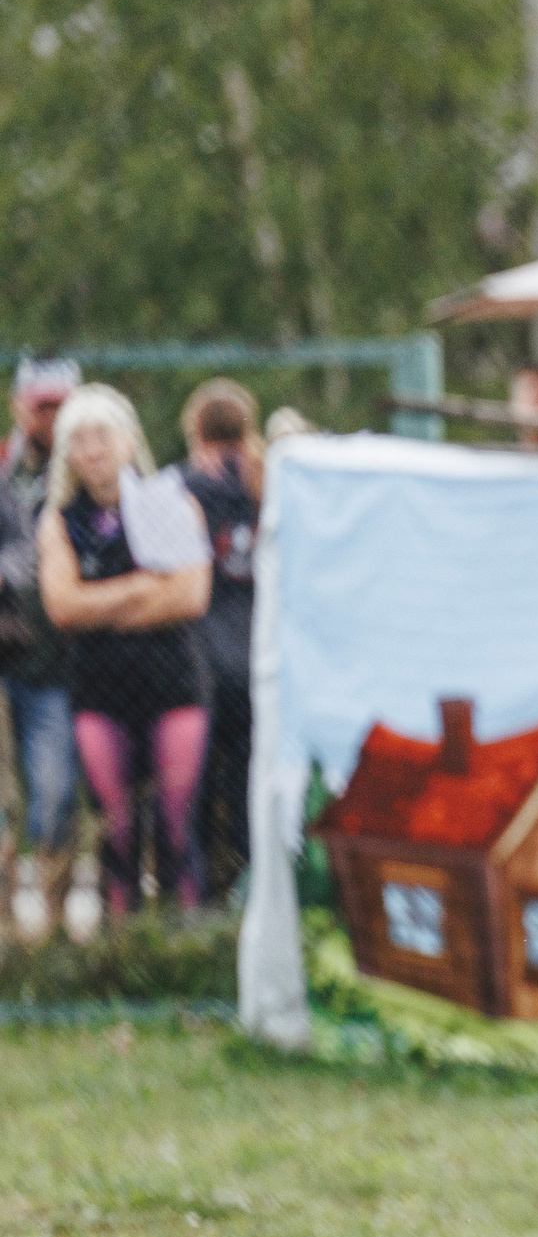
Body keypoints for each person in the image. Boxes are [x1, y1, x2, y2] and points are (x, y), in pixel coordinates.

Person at [36, 385, 214, 917]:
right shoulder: (60, 522)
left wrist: (102, 606)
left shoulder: (173, 504)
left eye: (101, 435)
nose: (92, 449)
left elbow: (191, 595)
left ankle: (185, 948)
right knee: (117, 827)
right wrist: (141, 589)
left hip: (173, 681)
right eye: (79, 439)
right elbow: (63, 607)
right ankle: (124, 951)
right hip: (99, 688)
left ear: (128, 439)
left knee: (176, 821)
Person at [2, 358, 81, 936]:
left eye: (58, 405)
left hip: (53, 665)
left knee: (53, 794)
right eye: (40, 404)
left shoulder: (87, 475)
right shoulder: (4, 470)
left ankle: (51, 934)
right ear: (19, 405)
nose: (48, 417)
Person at [180, 379, 263, 901]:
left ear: (195, 431)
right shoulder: (270, 486)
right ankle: (256, 890)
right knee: (252, 787)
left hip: (200, 660)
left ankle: (204, 899)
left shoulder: (179, 488)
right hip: (261, 660)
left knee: (199, 788)